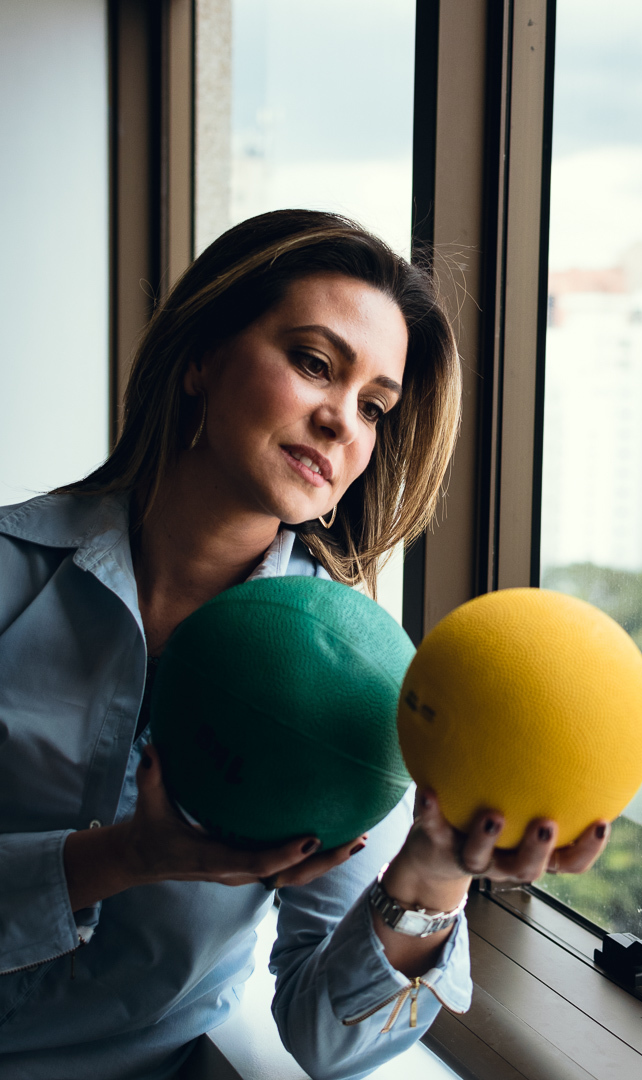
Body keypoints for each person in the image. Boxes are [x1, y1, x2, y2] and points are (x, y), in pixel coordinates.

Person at [0, 210, 609, 1080]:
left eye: (373, 407)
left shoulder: (355, 684)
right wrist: (125, 858)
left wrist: (434, 872)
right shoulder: (9, 574)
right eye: (314, 364)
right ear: (201, 357)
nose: (341, 425)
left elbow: (327, 1039)